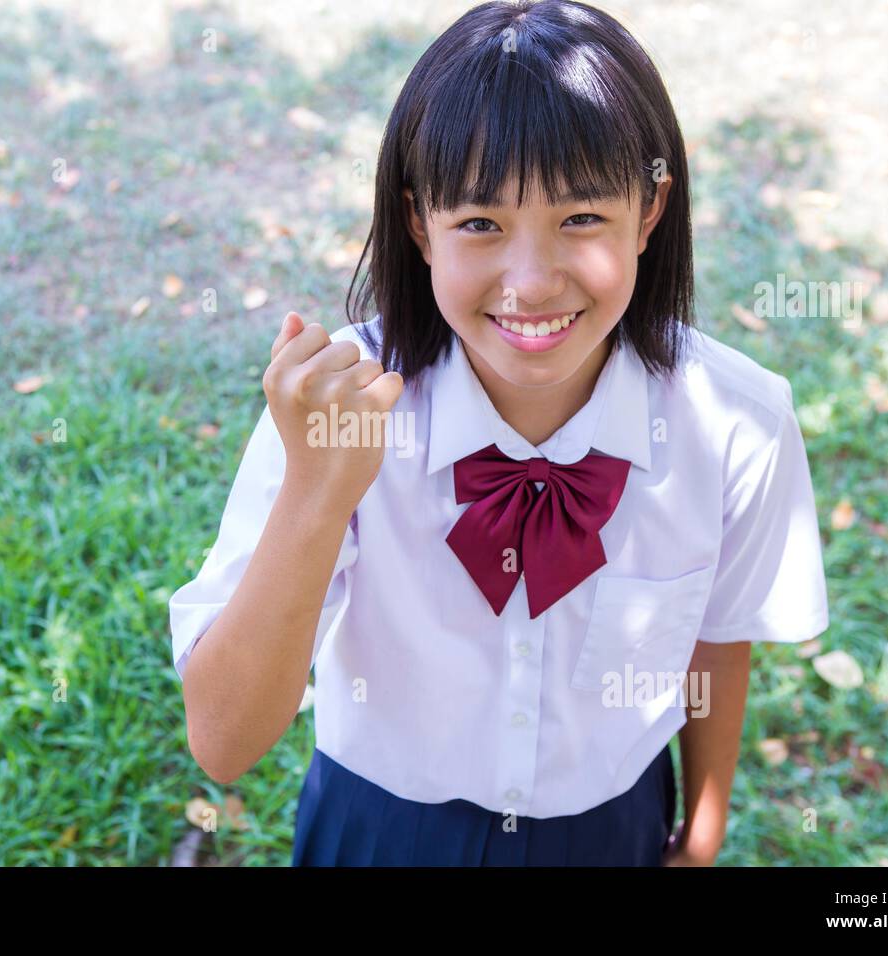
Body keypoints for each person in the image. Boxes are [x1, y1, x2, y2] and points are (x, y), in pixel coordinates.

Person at [170, 0, 829, 866]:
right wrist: (316, 491)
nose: (532, 281)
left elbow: (717, 634)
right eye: (479, 223)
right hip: (379, 828)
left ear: (650, 208)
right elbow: (223, 742)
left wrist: (702, 833)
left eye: (581, 218)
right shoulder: (339, 411)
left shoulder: (738, 422)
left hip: (611, 827)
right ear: (418, 222)